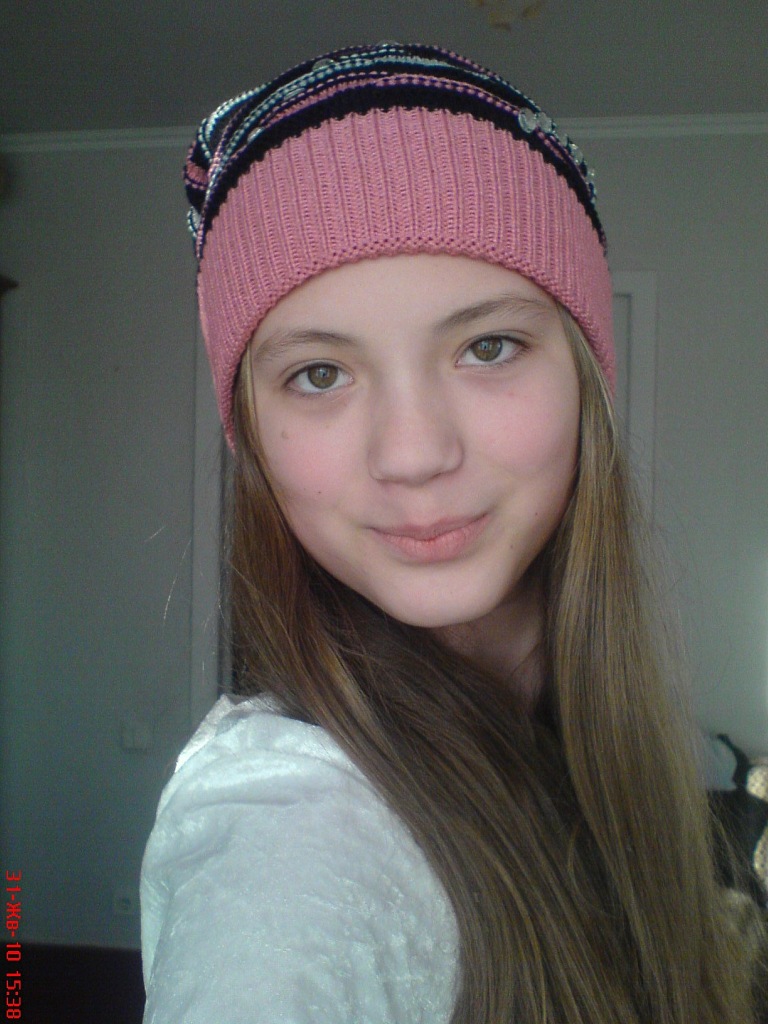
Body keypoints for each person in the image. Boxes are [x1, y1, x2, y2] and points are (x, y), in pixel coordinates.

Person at [140, 42, 756, 1023]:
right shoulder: (290, 832)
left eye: (488, 346)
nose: (414, 453)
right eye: (319, 374)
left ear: (584, 377)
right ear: (251, 429)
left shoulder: (597, 739)